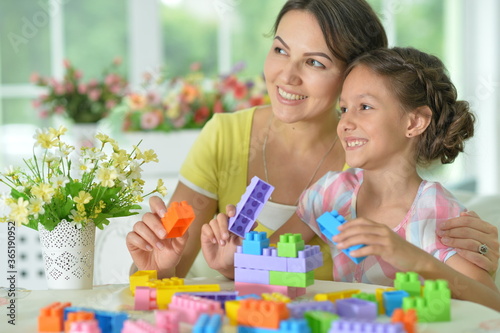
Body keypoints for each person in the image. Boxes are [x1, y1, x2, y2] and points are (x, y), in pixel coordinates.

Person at [126, 0, 499, 280]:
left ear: (356, 74)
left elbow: (424, 224)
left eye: (315, 62)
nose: (286, 76)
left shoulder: (367, 157)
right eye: (280, 50)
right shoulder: (223, 136)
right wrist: (152, 266)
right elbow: (169, 257)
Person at [204, 46, 500, 311]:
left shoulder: (436, 212)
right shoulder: (331, 194)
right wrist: (233, 262)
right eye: (343, 109)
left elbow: (492, 304)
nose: (345, 122)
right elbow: (268, 267)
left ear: (414, 122)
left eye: (365, 107)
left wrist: (413, 258)